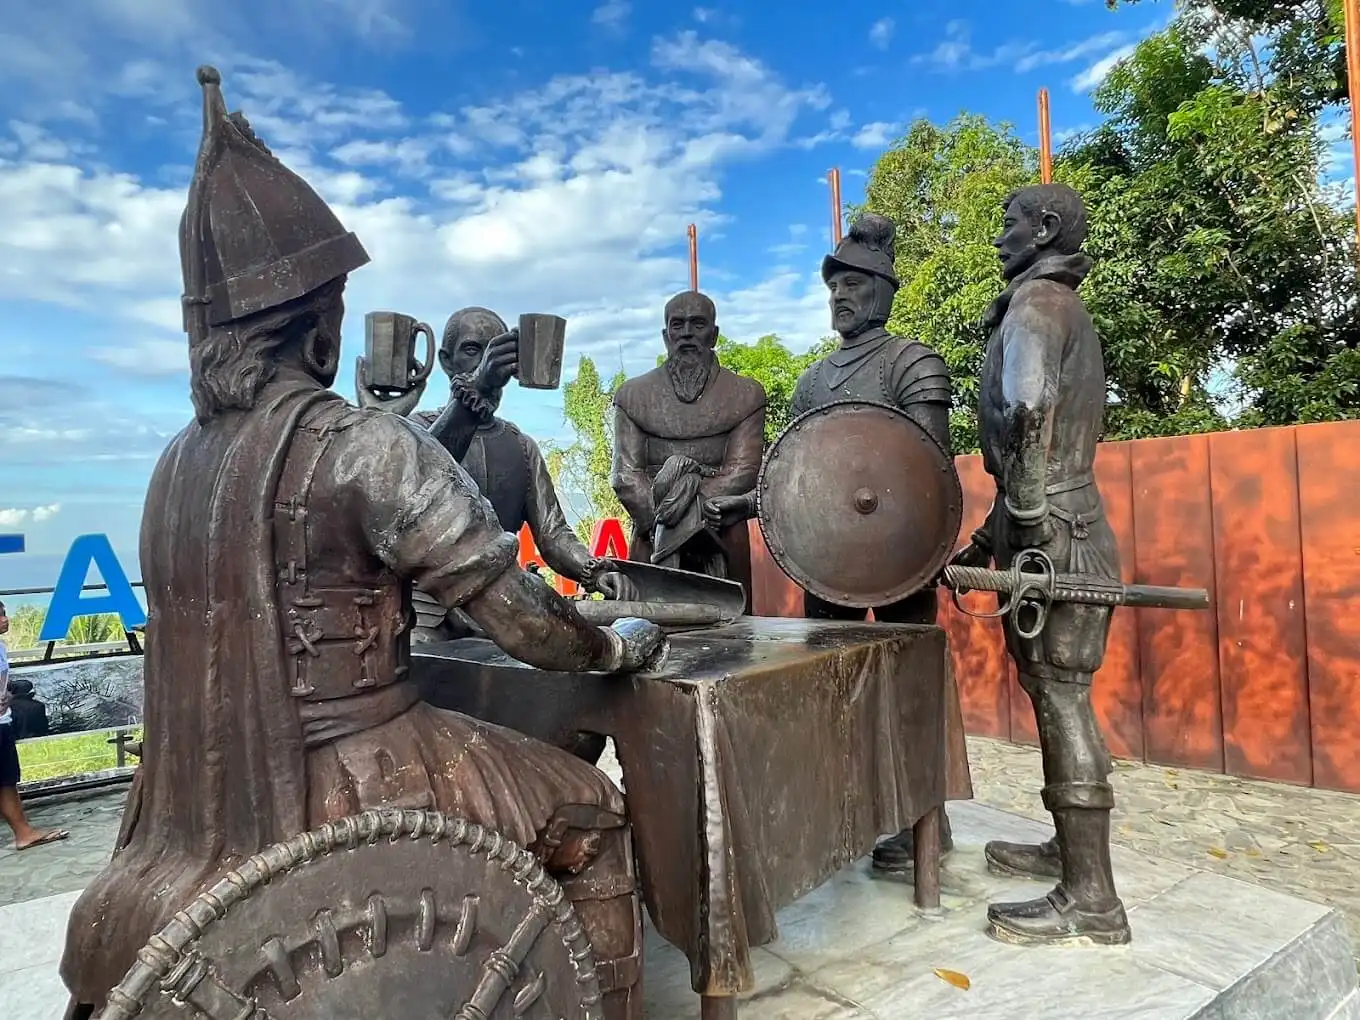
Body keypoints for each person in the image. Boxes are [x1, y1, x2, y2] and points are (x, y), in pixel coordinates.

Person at [61, 67, 664, 1019]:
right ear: (317, 322)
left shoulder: (173, 467)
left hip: (191, 803)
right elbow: (521, 615)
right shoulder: (362, 445)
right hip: (354, 767)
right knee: (591, 806)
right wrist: (609, 646)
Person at [702, 213, 972, 879]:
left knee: (911, 692)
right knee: (830, 693)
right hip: (826, 563)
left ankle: (925, 822)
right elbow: (795, 481)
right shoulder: (812, 384)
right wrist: (739, 503)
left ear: (882, 290)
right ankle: (840, 812)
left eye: (854, 284)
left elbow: (925, 475)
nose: (840, 297)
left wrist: (917, 552)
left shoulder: (914, 364)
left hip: (901, 564)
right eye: (833, 288)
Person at [965, 182, 1130, 947]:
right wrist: (988, 536)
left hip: (1056, 530)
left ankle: (1092, 897)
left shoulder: (1037, 307)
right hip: (1053, 521)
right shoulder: (1051, 306)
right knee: (1050, 690)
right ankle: (1069, 851)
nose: (999, 238)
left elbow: (1027, 410)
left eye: (1009, 224)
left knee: (1062, 696)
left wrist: (1024, 521)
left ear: (1048, 228)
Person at [358, 305, 637, 644]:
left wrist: (593, 571)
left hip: (500, 615)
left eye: (499, 350)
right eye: (474, 349)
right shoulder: (415, 432)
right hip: (421, 618)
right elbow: (424, 481)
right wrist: (476, 390)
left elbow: (552, 534)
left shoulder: (521, 447)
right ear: (446, 360)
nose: (489, 360)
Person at [611, 291, 767, 597]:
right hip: (652, 526)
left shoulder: (746, 395)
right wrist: (664, 518)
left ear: (714, 334)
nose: (686, 334)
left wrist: (690, 513)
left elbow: (743, 471)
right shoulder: (632, 395)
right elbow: (626, 476)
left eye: (697, 324)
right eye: (677, 325)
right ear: (666, 336)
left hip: (721, 523)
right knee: (649, 627)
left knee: (729, 636)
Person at [0, 600, 69, 850]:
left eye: (4, 613)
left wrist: (7, 696)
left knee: (7, 780)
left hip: (2, 721)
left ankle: (24, 832)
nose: (5, 619)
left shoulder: (1, 647)